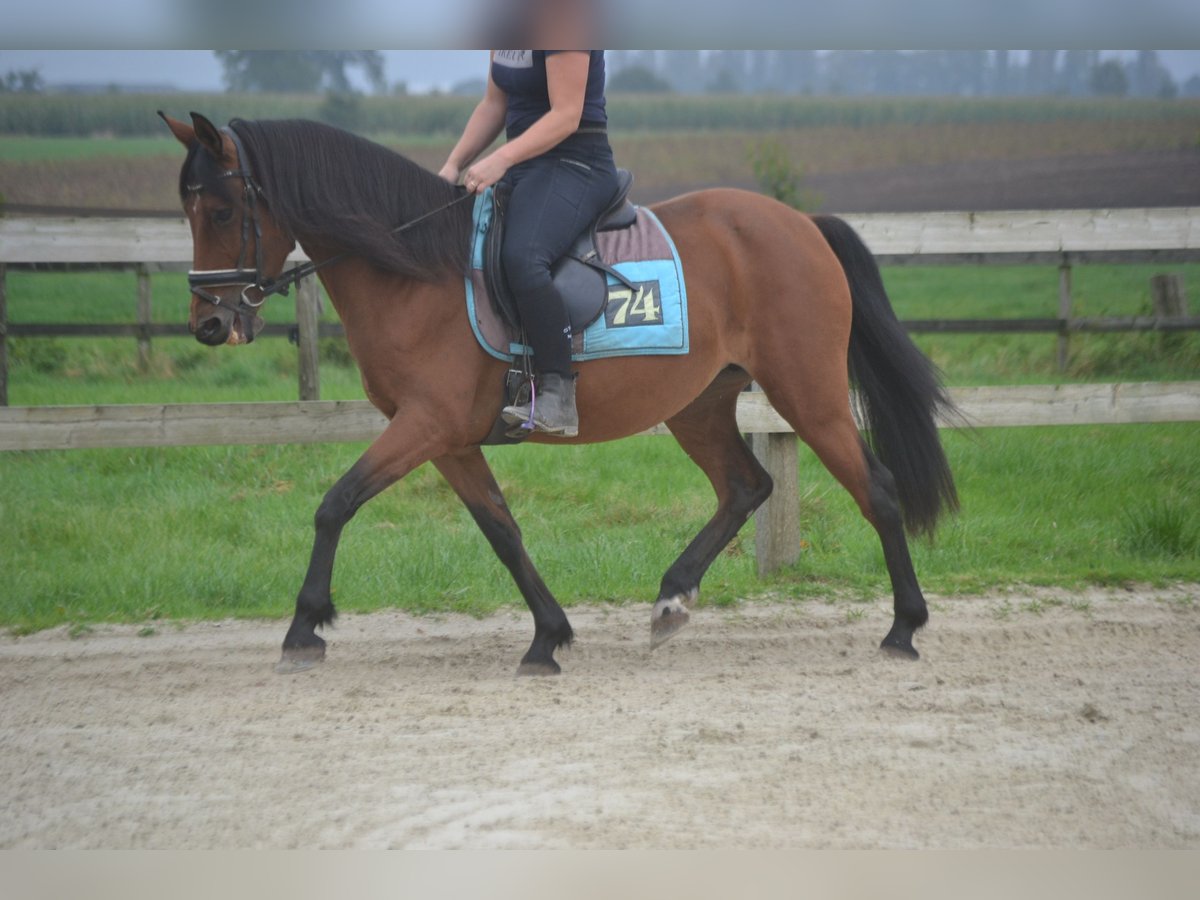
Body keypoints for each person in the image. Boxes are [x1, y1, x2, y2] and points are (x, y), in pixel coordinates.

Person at [438, 50, 619, 438]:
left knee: (523, 257)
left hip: (575, 163)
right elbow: (494, 103)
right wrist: (452, 166)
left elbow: (567, 115)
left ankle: (557, 391)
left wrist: (500, 158)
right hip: (525, 167)